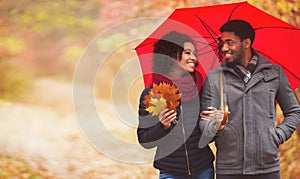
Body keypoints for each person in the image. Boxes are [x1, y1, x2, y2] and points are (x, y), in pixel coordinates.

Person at [199, 20, 300, 179]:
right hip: (229, 169)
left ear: (246, 43)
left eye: (230, 43)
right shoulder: (214, 77)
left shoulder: (274, 73)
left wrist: (276, 136)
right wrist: (215, 125)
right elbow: (204, 123)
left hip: (266, 167)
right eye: (222, 43)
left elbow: (294, 111)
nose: (224, 48)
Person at [137, 31, 216, 179]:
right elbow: (145, 141)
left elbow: (208, 137)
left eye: (194, 53)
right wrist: (163, 126)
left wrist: (215, 124)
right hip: (170, 172)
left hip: (203, 170)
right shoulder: (153, 93)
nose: (193, 57)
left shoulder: (201, 89)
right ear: (171, 55)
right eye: (187, 52)